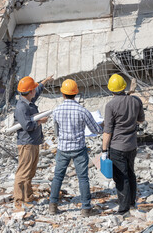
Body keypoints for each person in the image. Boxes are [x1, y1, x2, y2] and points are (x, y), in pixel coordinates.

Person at [49, 79, 103, 217]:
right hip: (79, 149)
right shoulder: (82, 111)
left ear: (62, 94)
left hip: (63, 148)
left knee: (58, 177)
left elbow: (56, 132)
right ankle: (86, 208)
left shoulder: (56, 111)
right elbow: (96, 130)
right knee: (83, 178)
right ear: (76, 94)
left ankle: (53, 206)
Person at [102, 74, 145, 217]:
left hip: (117, 147)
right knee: (131, 173)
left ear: (111, 90)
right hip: (132, 145)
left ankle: (123, 209)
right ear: (124, 87)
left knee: (121, 177)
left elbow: (107, 131)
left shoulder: (110, 105)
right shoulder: (136, 101)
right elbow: (140, 121)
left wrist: (103, 150)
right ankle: (132, 202)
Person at [13, 75, 53, 204]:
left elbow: (37, 92)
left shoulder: (28, 101)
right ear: (30, 91)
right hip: (27, 143)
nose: (35, 91)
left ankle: (28, 196)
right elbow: (27, 126)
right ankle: (19, 200)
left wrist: (44, 81)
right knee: (23, 172)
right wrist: (40, 121)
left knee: (30, 171)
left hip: (33, 142)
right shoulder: (22, 107)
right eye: (34, 88)